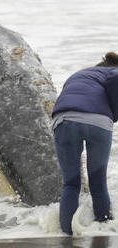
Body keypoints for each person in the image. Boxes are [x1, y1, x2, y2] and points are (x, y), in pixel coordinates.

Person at [52, 52, 118, 235]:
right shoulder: (111, 72)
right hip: (98, 123)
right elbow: (116, 76)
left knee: (71, 184)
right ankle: (104, 231)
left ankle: (67, 235)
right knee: (98, 184)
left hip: (64, 120)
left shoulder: (78, 75)